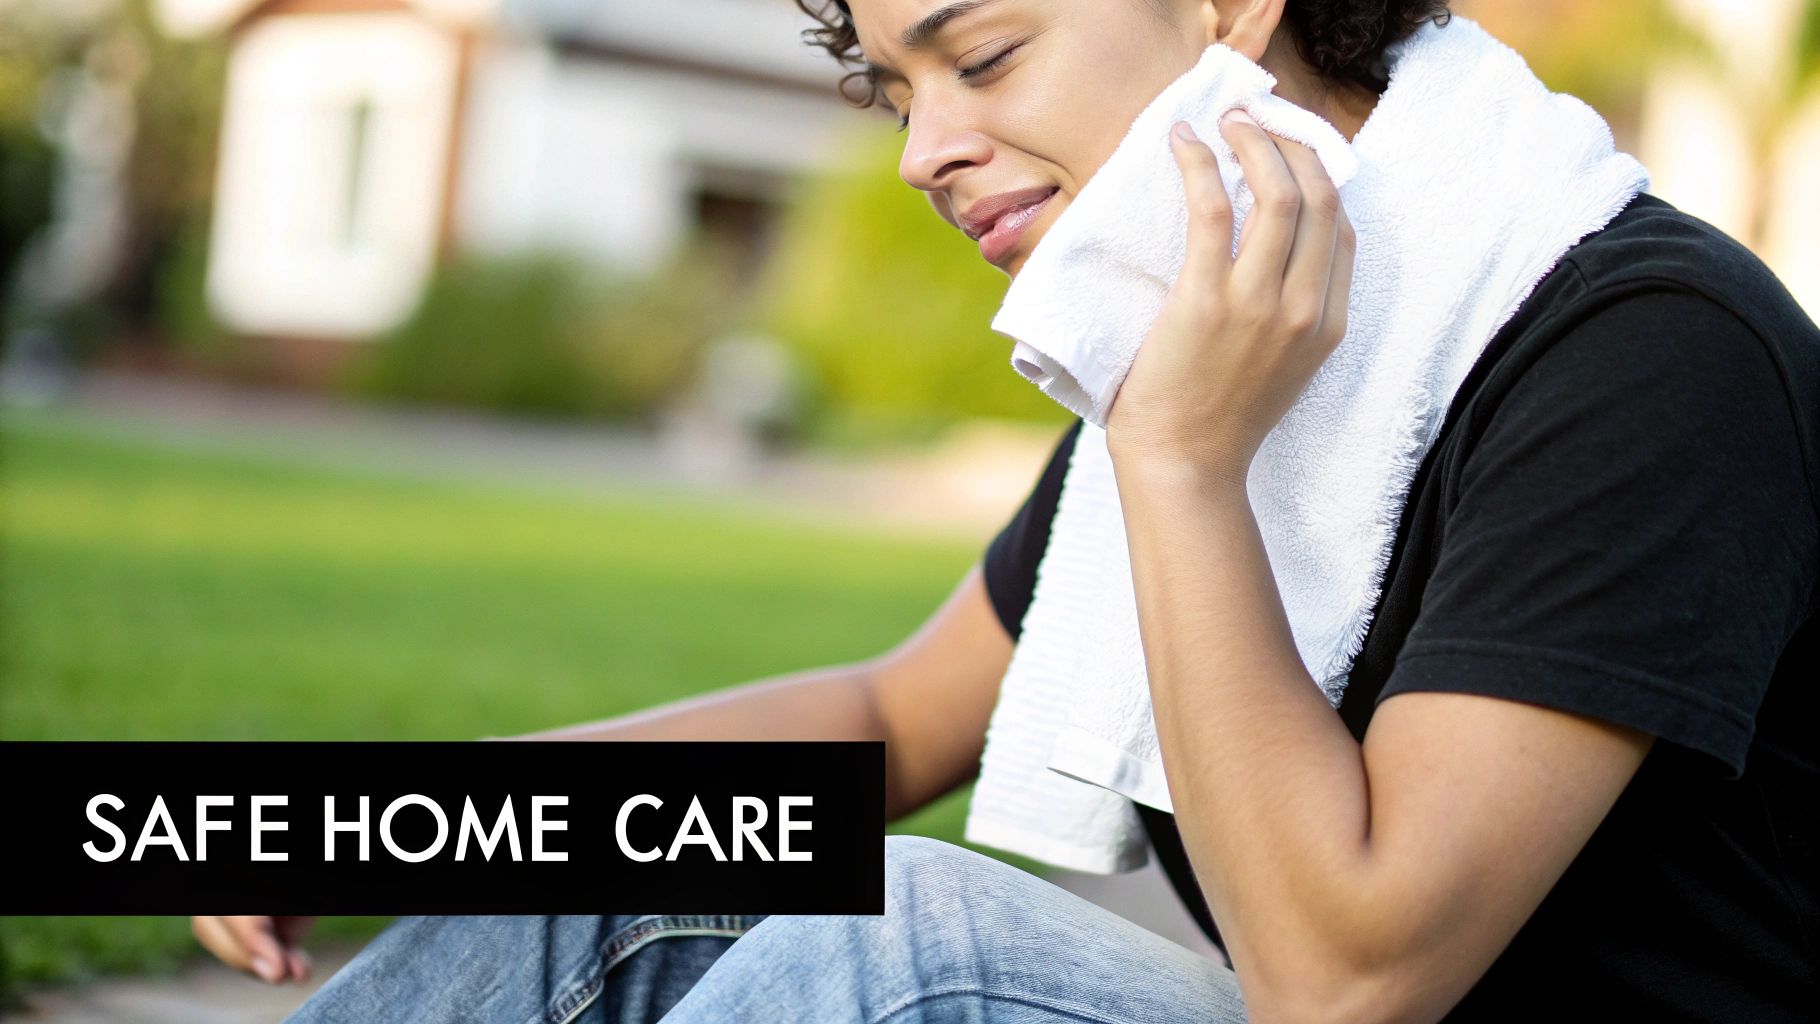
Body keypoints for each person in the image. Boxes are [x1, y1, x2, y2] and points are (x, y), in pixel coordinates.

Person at [196, 1, 1820, 1021]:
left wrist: (1183, 462)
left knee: (906, 941)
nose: (925, 152)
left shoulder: (1642, 351)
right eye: (899, 91)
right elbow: (892, 720)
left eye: (978, 57)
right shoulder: (1220, 346)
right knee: (615, 874)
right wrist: (387, 810)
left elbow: (1350, 985)